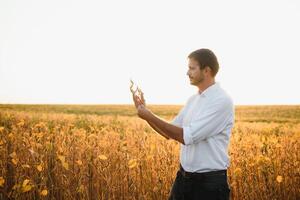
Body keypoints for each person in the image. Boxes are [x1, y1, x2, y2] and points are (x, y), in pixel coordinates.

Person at [131, 48, 234, 200]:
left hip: (209, 185)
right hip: (183, 179)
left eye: (192, 68)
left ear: (207, 71)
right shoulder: (193, 100)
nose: (187, 73)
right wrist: (145, 113)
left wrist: (149, 115)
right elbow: (168, 133)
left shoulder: (221, 101)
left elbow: (185, 136)